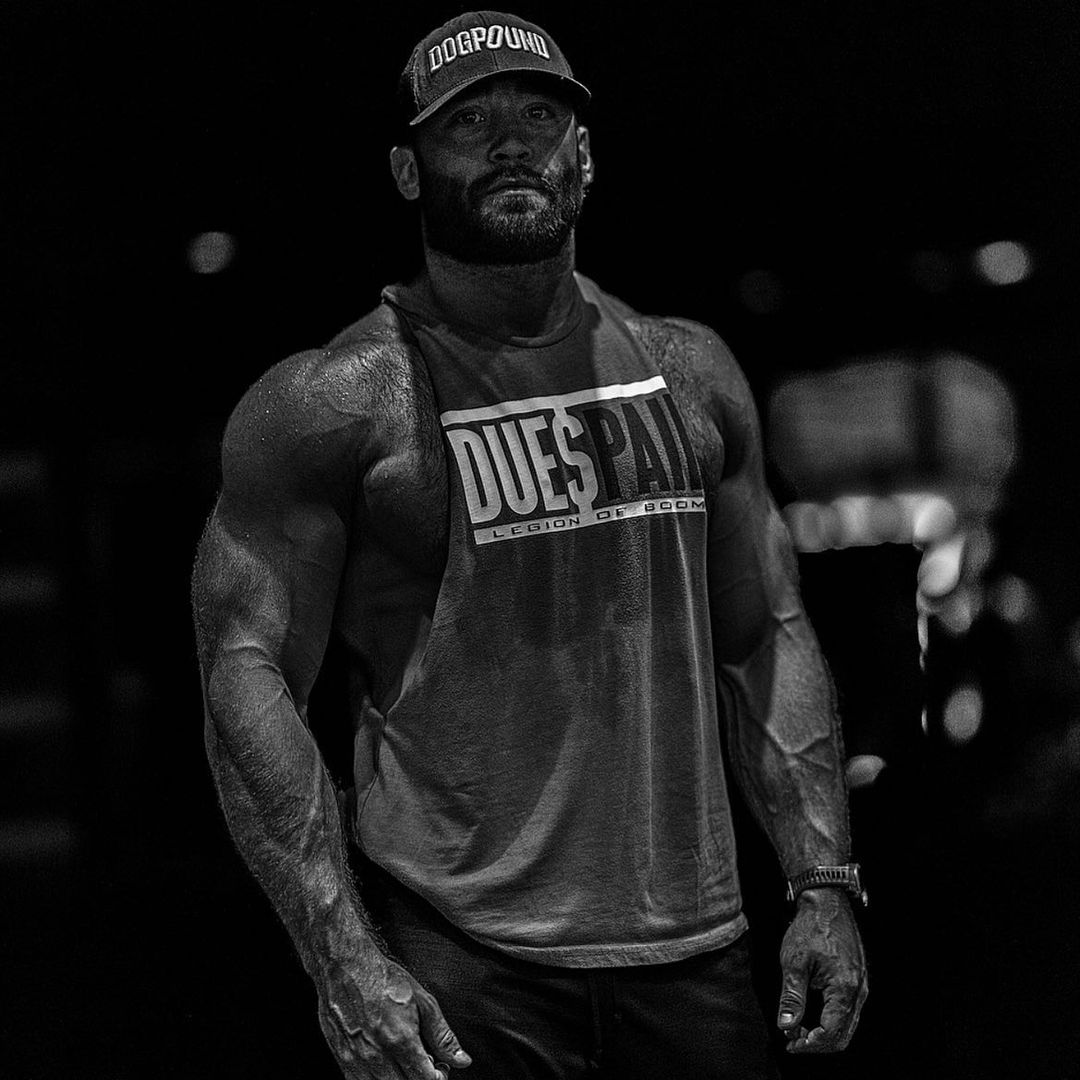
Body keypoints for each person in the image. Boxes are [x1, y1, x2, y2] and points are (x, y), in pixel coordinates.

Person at [191, 11, 868, 1080]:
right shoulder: (334, 404)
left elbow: (766, 635)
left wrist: (823, 884)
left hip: (697, 952)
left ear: (583, 156)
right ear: (408, 171)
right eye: (469, 124)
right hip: (462, 962)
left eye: (540, 117)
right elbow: (243, 674)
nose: (512, 145)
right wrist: (342, 957)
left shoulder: (690, 373)